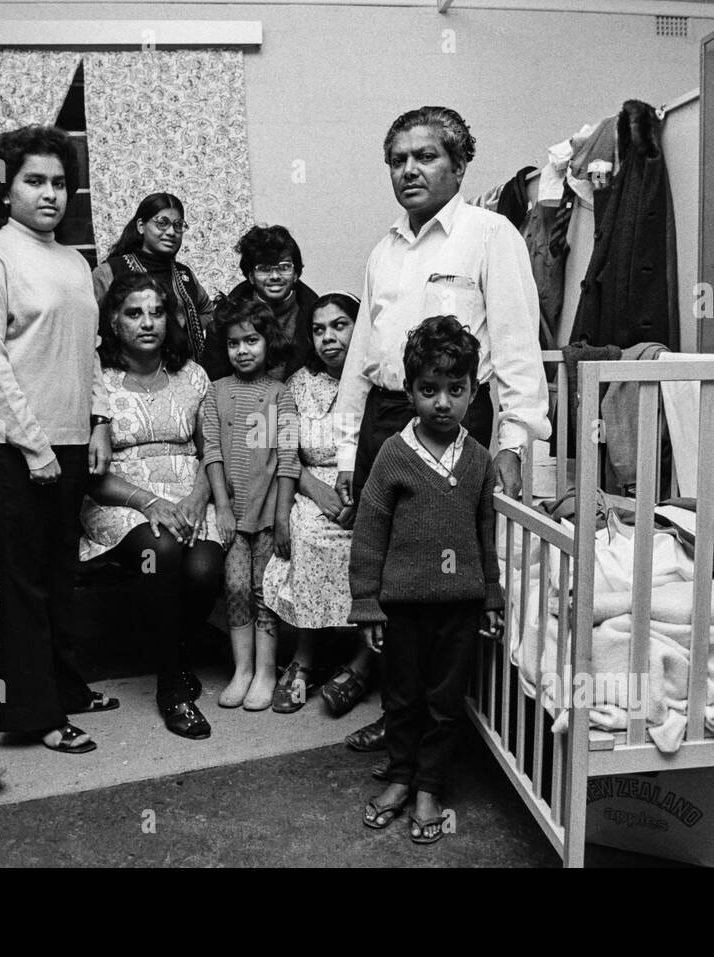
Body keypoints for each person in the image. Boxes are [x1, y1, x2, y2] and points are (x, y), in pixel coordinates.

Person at [333, 105, 550, 753]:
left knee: (446, 581)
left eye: (425, 156)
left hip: (458, 422)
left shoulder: (490, 234)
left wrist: (516, 442)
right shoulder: (382, 249)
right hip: (384, 422)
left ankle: (440, 724)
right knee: (394, 576)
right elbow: (360, 355)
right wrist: (347, 445)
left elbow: (516, 349)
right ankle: (397, 710)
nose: (409, 170)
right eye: (397, 159)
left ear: (459, 164)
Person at [0, 125, 115, 754]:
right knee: (26, 579)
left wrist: (99, 420)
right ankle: (34, 715)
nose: (50, 194)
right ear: (5, 186)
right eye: (35, 181)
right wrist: (34, 447)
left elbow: (90, 352)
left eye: (59, 182)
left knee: (61, 570)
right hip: (7, 446)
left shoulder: (74, 262)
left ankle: (67, 690)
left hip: (69, 440)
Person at [350, 316, 504, 843]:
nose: (442, 402)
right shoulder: (395, 454)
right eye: (429, 390)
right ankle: (398, 775)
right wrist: (367, 602)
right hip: (403, 607)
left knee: (445, 702)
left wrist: (490, 595)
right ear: (410, 391)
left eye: (454, 390)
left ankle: (429, 786)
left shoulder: (479, 461)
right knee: (402, 697)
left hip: (458, 608)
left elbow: (486, 534)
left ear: (472, 392)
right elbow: (369, 532)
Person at [79, 273, 221, 740]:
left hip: (188, 493)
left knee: (203, 569)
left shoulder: (192, 375)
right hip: (122, 495)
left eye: (157, 312)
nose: (148, 323)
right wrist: (152, 502)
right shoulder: (96, 382)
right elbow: (93, 473)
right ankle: (171, 687)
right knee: (159, 552)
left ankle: (174, 651)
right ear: (113, 322)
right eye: (134, 314)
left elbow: (209, 452)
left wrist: (198, 498)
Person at [261, 293, 375, 715]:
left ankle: (364, 662)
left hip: (369, 488)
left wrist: (361, 494)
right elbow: (283, 452)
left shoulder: (377, 381)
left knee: (375, 541)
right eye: (319, 329)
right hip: (312, 486)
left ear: (360, 329)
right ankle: (305, 659)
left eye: (340, 325)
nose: (329, 337)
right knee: (309, 534)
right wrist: (315, 491)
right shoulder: (298, 385)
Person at [201, 297, 301, 710]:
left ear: (267, 342)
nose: (242, 350)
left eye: (252, 340)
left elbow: (289, 459)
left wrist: (281, 518)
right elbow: (211, 452)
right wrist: (222, 508)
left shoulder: (282, 395)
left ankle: (265, 672)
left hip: (268, 515)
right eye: (233, 343)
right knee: (237, 587)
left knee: (266, 590)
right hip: (232, 517)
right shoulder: (216, 392)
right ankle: (242, 670)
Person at [92, 192, 213, 364]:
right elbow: (90, 326)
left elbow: (208, 311)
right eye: (162, 223)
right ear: (141, 226)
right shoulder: (110, 271)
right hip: (128, 375)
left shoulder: (184, 274)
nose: (171, 232)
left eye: (178, 225)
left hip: (182, 372)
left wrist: (180, 330)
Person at [201, 224, 318, 381]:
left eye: (284, 267)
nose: (275, 276)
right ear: (251, 276)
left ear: (296, 274)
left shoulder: (316, 316)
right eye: (264, 268)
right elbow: (215, 380)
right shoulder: (225, 318)